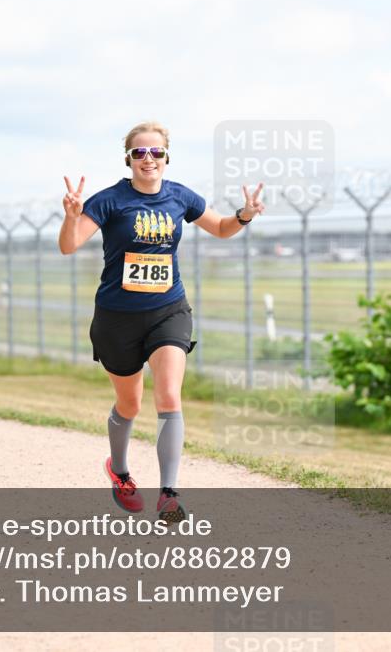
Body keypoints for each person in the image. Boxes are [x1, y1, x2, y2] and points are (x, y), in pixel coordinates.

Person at [58, 121, 265, 522]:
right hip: (117, 318)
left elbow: (222, 228)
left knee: (169, 395)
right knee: (130, 403)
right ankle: (119, 471)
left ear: (166, 158)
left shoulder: (180, 197)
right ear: (129, 159)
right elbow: (69, 246)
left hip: (168, 311)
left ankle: (169, 494)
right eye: (140, 153)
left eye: (156, 153)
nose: (148, 159)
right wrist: (71, 216)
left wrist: (244, 215)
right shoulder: (109, 200)